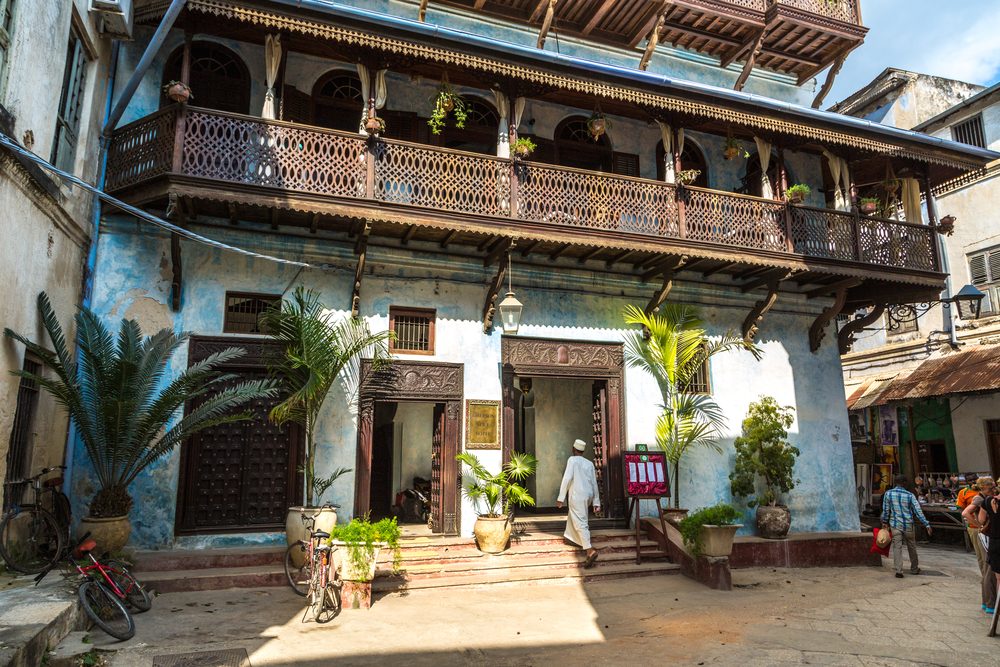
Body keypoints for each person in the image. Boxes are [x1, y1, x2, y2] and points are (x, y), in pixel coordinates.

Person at [557, 438, 601, 568]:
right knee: (574, 517)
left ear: (574, 449)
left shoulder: (572, 460)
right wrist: (596, 502)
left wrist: (561, 497)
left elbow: (567, 478)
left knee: (581, 522)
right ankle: (572, 539)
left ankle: (589, 550)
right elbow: (594, 483)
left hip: (577, 495)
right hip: (587, 496)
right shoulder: (589, 463)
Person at [881, 474, 933, 578]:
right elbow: (918, 511)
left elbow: (886, 510)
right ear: (904, 483)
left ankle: (899, 570)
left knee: (897, 547)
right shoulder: (910, 495)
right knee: (912, 546)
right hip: (908, 525)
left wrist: (885, 521)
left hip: (895, 524)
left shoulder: (888, 494)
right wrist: (926, 523)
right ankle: (914, 568)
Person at [961, 476, 994, 576]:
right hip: (979, 530)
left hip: (987, 530)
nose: (993, 490)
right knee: (983, 557)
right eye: (990, 488)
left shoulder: (988, 497)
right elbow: (965, 513)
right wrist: (979, 525)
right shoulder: (979, 498)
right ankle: (986, 578)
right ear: (983, 488)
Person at [977, 486, 1000, 614]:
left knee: (998, 579)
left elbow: (981, 520)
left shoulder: (987, 501)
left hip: (995, 541)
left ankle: (998, 608)